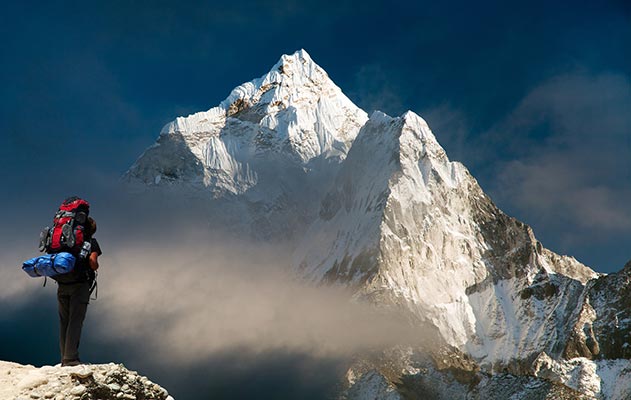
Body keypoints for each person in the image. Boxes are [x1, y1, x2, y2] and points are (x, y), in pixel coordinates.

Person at [56, 216, 102, 366]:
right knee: (75, 321)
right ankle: (71, 359)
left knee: (64, 321)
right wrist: (95, 266)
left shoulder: (67, 242)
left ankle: (64, 358)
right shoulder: (91, 243)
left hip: (62, 284)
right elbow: (93, 262)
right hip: (79, 286)